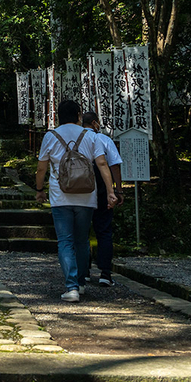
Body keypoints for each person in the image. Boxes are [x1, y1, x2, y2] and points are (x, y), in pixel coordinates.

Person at [35, 100, 119, 302]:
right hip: (87, 195)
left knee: (65, 241)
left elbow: (41, 168)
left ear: (58, 116)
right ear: (79, 115)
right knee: (82, 240)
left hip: (60, 195)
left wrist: (39, 190)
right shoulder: (90, 135)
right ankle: (80, 283)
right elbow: (102, 164)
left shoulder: (51, 136)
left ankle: (71, 287)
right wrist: (111, 191)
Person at [83, 110, 123, 287]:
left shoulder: (78, 139)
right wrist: (117, 189)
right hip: (102, 187)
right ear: (94, 123)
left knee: (82, 231)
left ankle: (83, 272)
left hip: (81, 188)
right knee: (104, 230)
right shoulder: (104, 140)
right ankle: (105, 273)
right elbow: (113, 165)